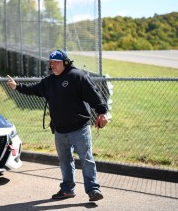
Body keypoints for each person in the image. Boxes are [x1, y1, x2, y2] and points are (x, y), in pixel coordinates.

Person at [7, 50, 109, 202]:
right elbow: (33, 89)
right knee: (65, 161)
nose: (52, 65)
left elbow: (93, 95)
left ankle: (93, 190)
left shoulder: (77, 76)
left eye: (56, 62)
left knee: (86, 160)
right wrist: (17, 86)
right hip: (60, 131)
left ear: (65, 62)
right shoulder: (49, 82)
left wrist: (102, 112)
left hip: (79, 129)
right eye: (51, 62)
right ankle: (67, 190)